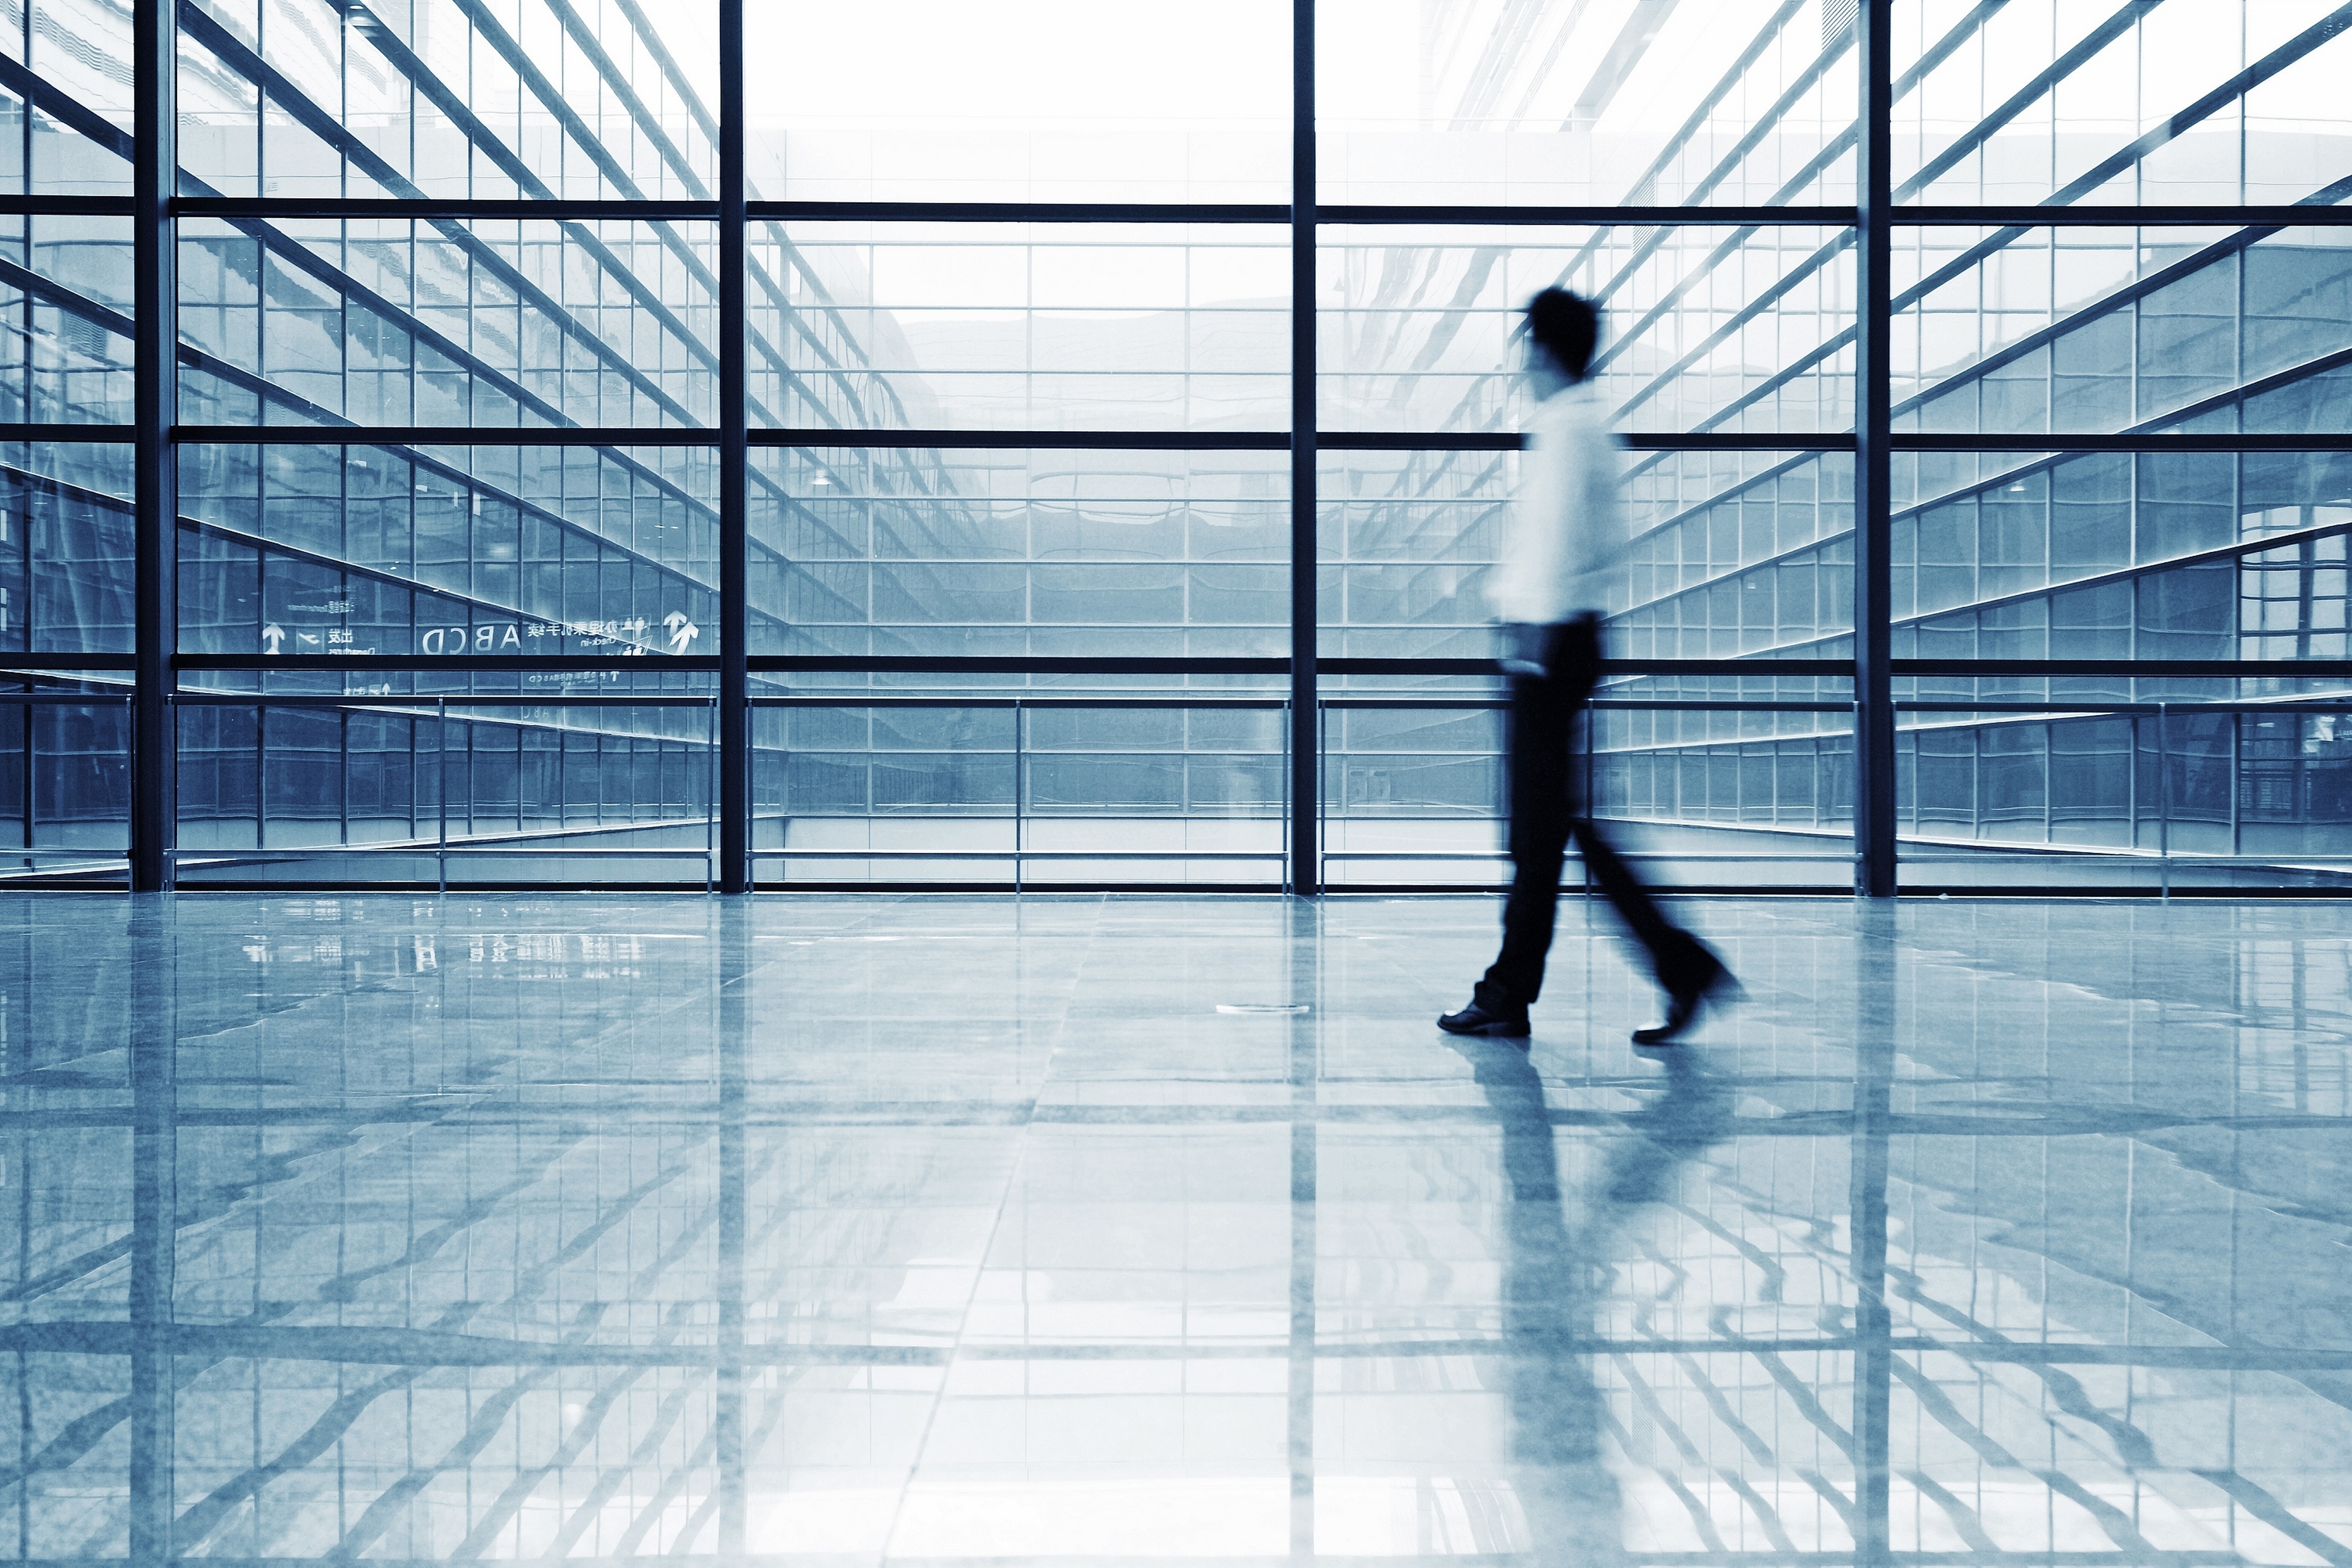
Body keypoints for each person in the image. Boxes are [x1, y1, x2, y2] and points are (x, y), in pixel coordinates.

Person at [1439, 288, 1735, 1046]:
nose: (1519, 367)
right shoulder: (1583, 427)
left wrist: (1530, 634)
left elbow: (1561, 540)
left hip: (1549, 641)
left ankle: (1518, 992)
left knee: (1542, 835)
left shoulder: (1568, 432)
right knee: (1557, 830)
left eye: (1524, 350)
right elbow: (1594, 545)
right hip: (1562, 637)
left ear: (1541, 350)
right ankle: (1674, 966)